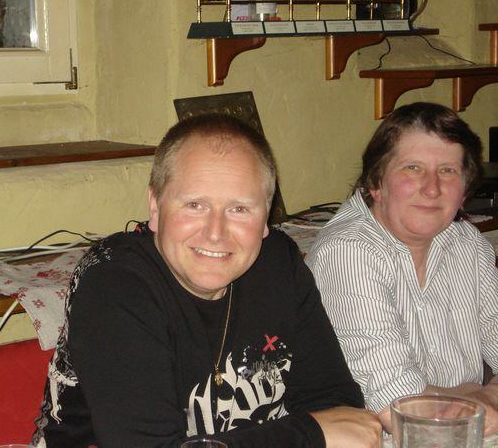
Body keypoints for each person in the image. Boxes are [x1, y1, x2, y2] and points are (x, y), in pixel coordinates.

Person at [32, 113, 382, 447]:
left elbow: (335, 405)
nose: (216, 233)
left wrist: (318, 432)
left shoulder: (278, 264)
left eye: (239, 209)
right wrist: (310, 434)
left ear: (266, 217)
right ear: (155, 206)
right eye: (195, 205)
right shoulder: (113, 284)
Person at [306, 102, 498, 435]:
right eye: (413, 168)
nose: (432, 188)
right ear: (376, 183)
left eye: (448, 171)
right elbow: (399, 409)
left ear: (465, 190)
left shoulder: (467, 242)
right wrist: (477, 399)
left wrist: (485, 397)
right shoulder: (348, 252)